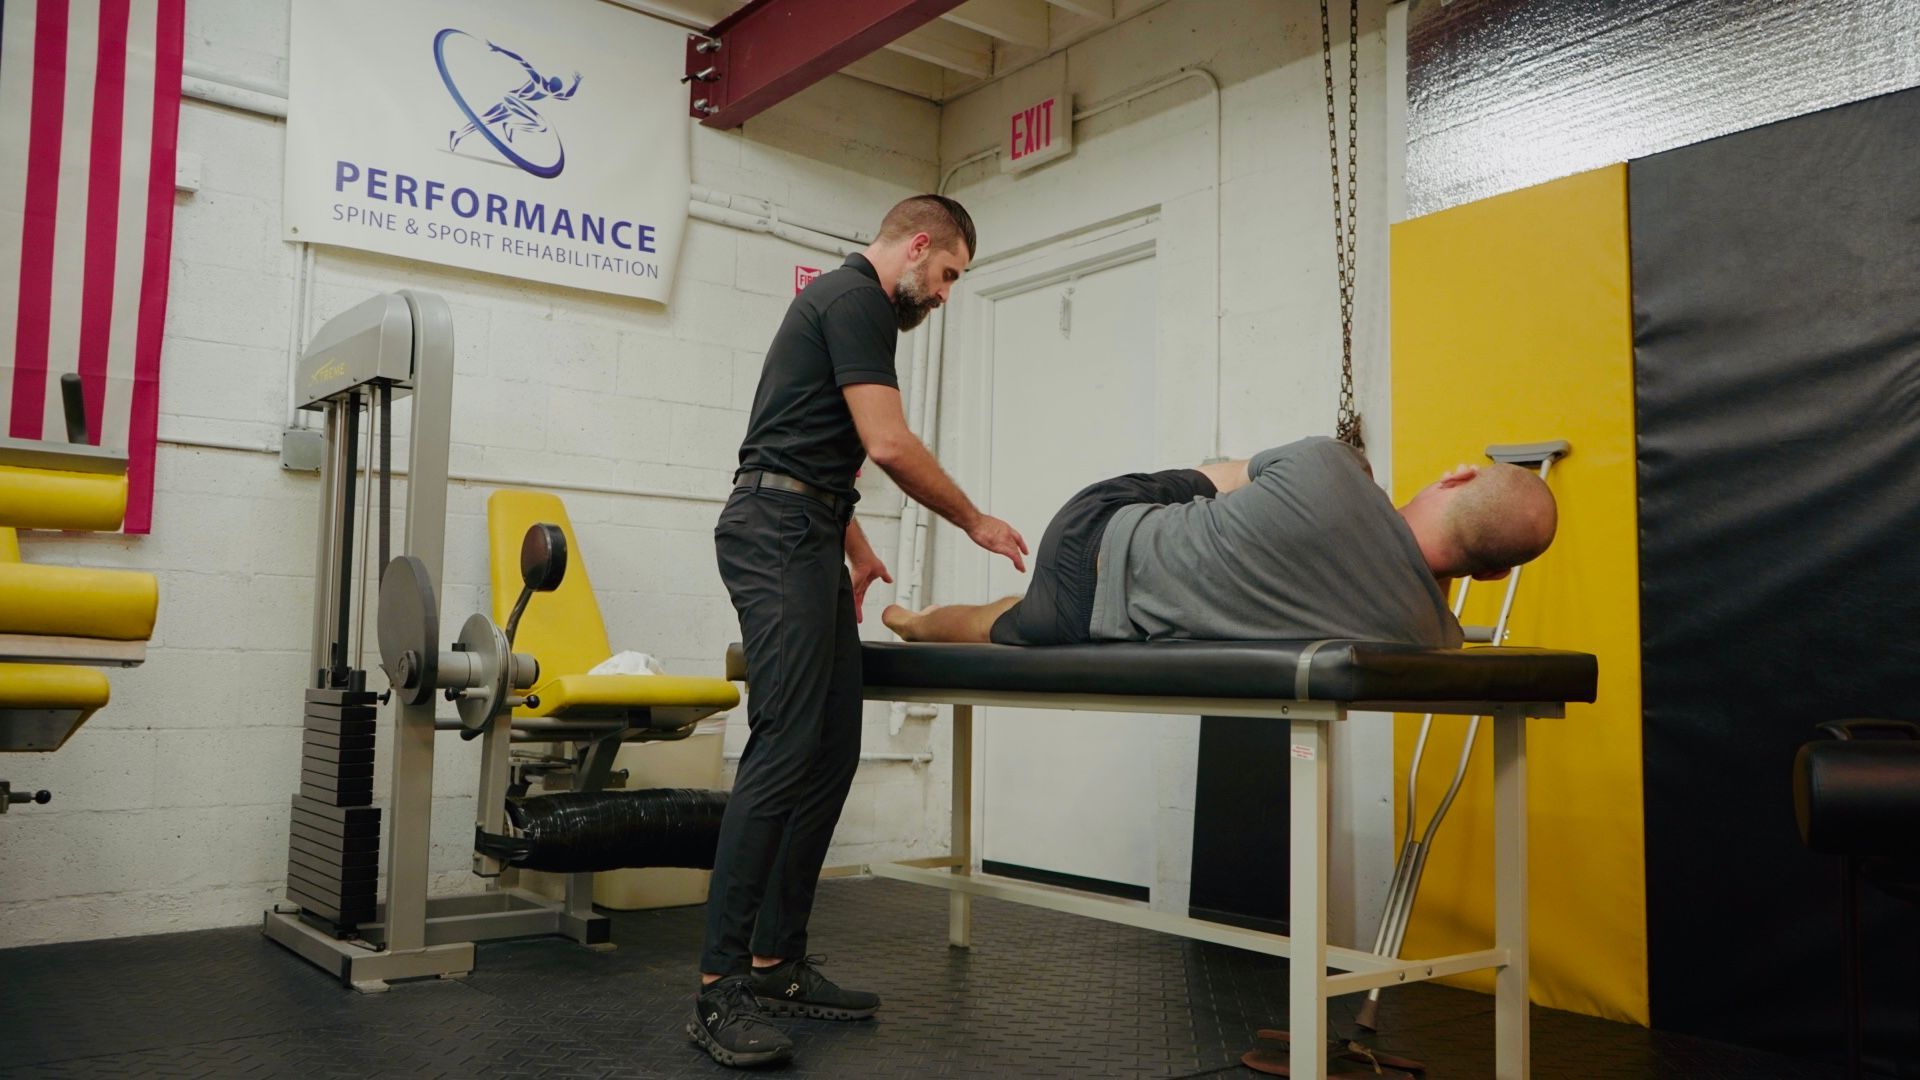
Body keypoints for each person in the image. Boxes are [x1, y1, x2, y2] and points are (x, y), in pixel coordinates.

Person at [692, 195, 1028, 1069]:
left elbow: (804, 442)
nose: (946, 294)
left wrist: (861, 550)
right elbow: (885, 443)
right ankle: (719, 986)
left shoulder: (846, 308)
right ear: (918, 246)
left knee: (832, 745)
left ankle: (777, 961)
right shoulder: (857, 302)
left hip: (805, 529)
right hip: (774, 536)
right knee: (785, 743)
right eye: (950, 273)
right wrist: (975, 521)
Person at [881, 436, 1557, 648]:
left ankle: (913, 620)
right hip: (1089, 621)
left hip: (1096, 527)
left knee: (1226, 474)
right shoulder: (1426, 641)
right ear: (1492, 575)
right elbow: (1420, 591)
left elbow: (1221, 482)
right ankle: (921, 624)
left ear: (1457, 475)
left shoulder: (1332, 465)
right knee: (999, 621)